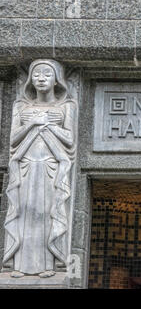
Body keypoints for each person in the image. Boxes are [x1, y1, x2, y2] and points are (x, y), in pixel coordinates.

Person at [2, 60, 77, 278]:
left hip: (51, 167)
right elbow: (14, 139)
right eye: (36, 74)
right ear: (30, 80)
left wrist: (50, 124)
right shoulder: (21, 107)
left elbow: (70, 140)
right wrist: (33, 123)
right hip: (24, 168)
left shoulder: (67, 106)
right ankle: (20, 266)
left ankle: (48, 265)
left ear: (57, 80)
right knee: (24, 212)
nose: (41, 78)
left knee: (48, 213)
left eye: (47, 73)